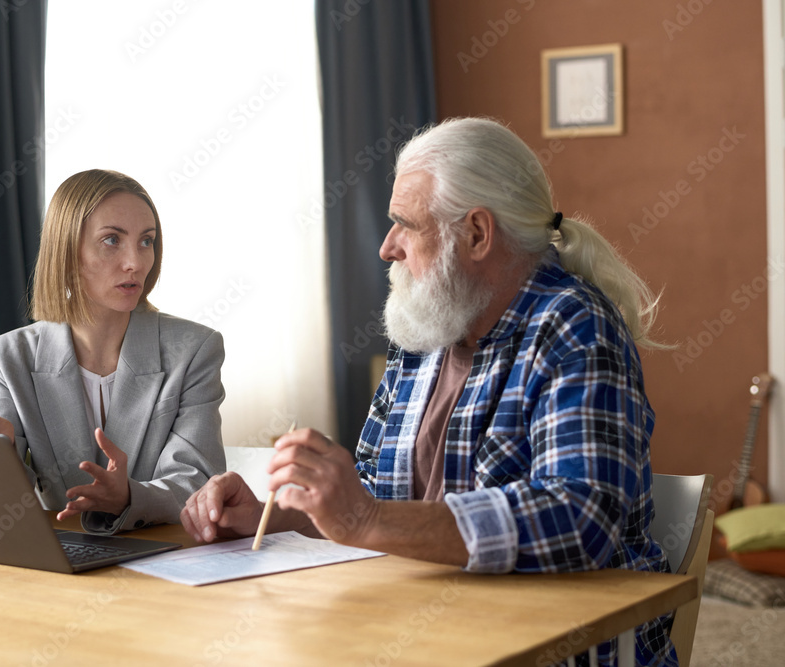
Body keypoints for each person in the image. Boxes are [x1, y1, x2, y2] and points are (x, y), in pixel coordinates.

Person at [180, 118, 675, 666]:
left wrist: (365, 520)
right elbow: (375, 491)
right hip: (427, 628)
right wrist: (287, 512)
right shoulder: (427, 326)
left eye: (405, 225)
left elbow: (580, 520)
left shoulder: (576, 327)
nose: (387, 247)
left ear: (477, 234)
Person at [0, 169, 226, 534]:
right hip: (57, 561)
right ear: (66, 252)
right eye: (112, 240)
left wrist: (129, 496)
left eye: (147, 241)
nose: (137, 262)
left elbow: (197, 482)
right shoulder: (9, 357)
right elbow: (2, 503)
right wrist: (0, 450)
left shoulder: (194, 350)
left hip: (161, 557)